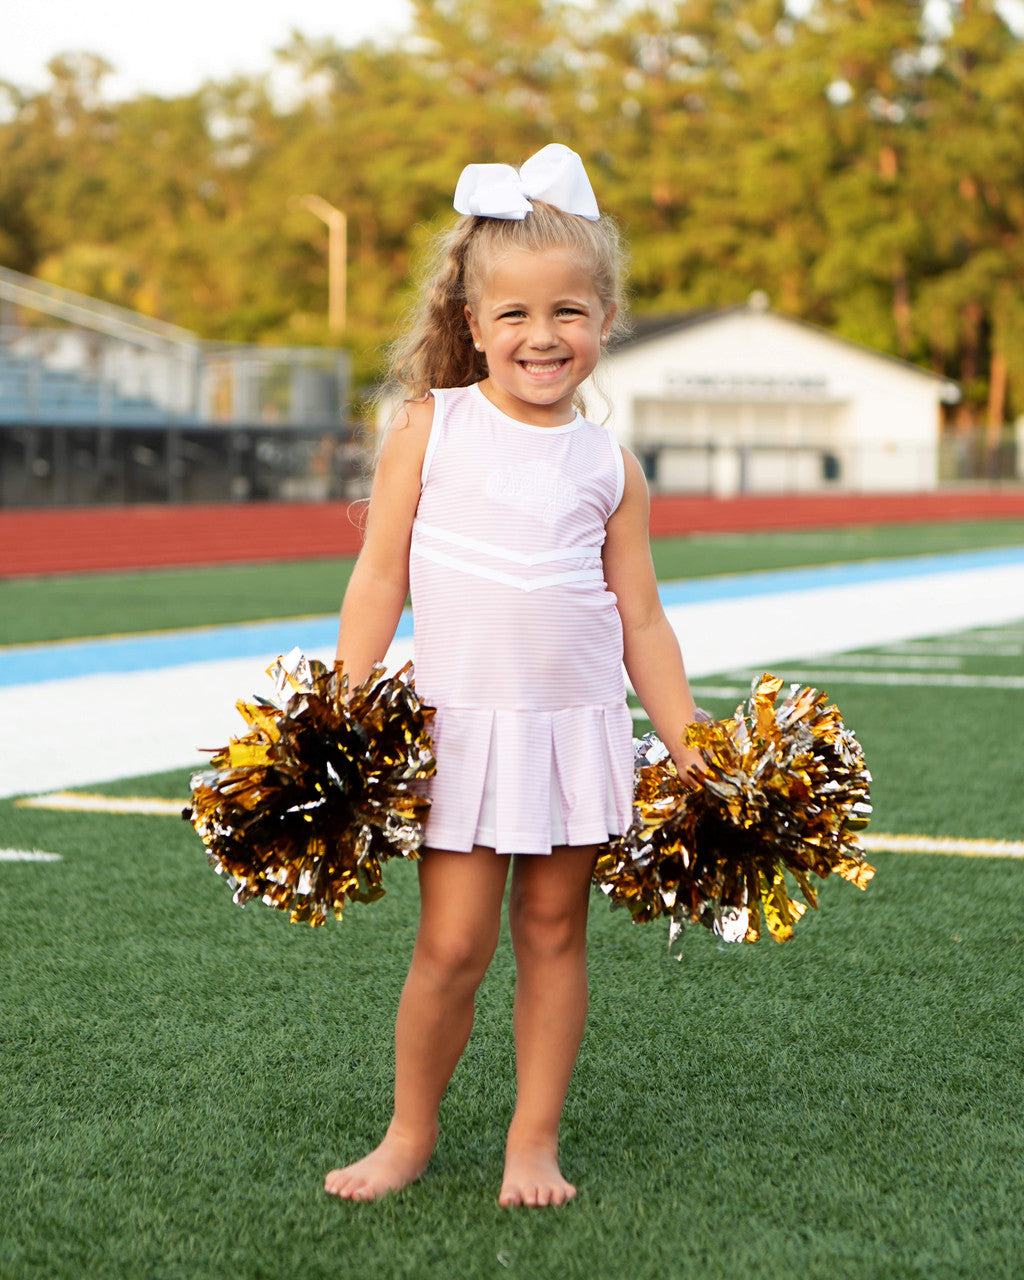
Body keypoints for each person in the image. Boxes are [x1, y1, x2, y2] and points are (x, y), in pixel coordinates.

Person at [324, 144, 703, 1208]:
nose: (544, 337)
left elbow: (641, 615)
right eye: (517, 316)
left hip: (572, 728)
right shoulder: (430, 425)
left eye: (570, 312)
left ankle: (531, 1141)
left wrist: (687, 737)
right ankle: (408, 1131)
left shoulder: (609, 464)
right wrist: (340, 705)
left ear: (607, 319)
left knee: (552, 931)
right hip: (461, 730)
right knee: (449, 946)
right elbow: (377, 574)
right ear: (473, 320)